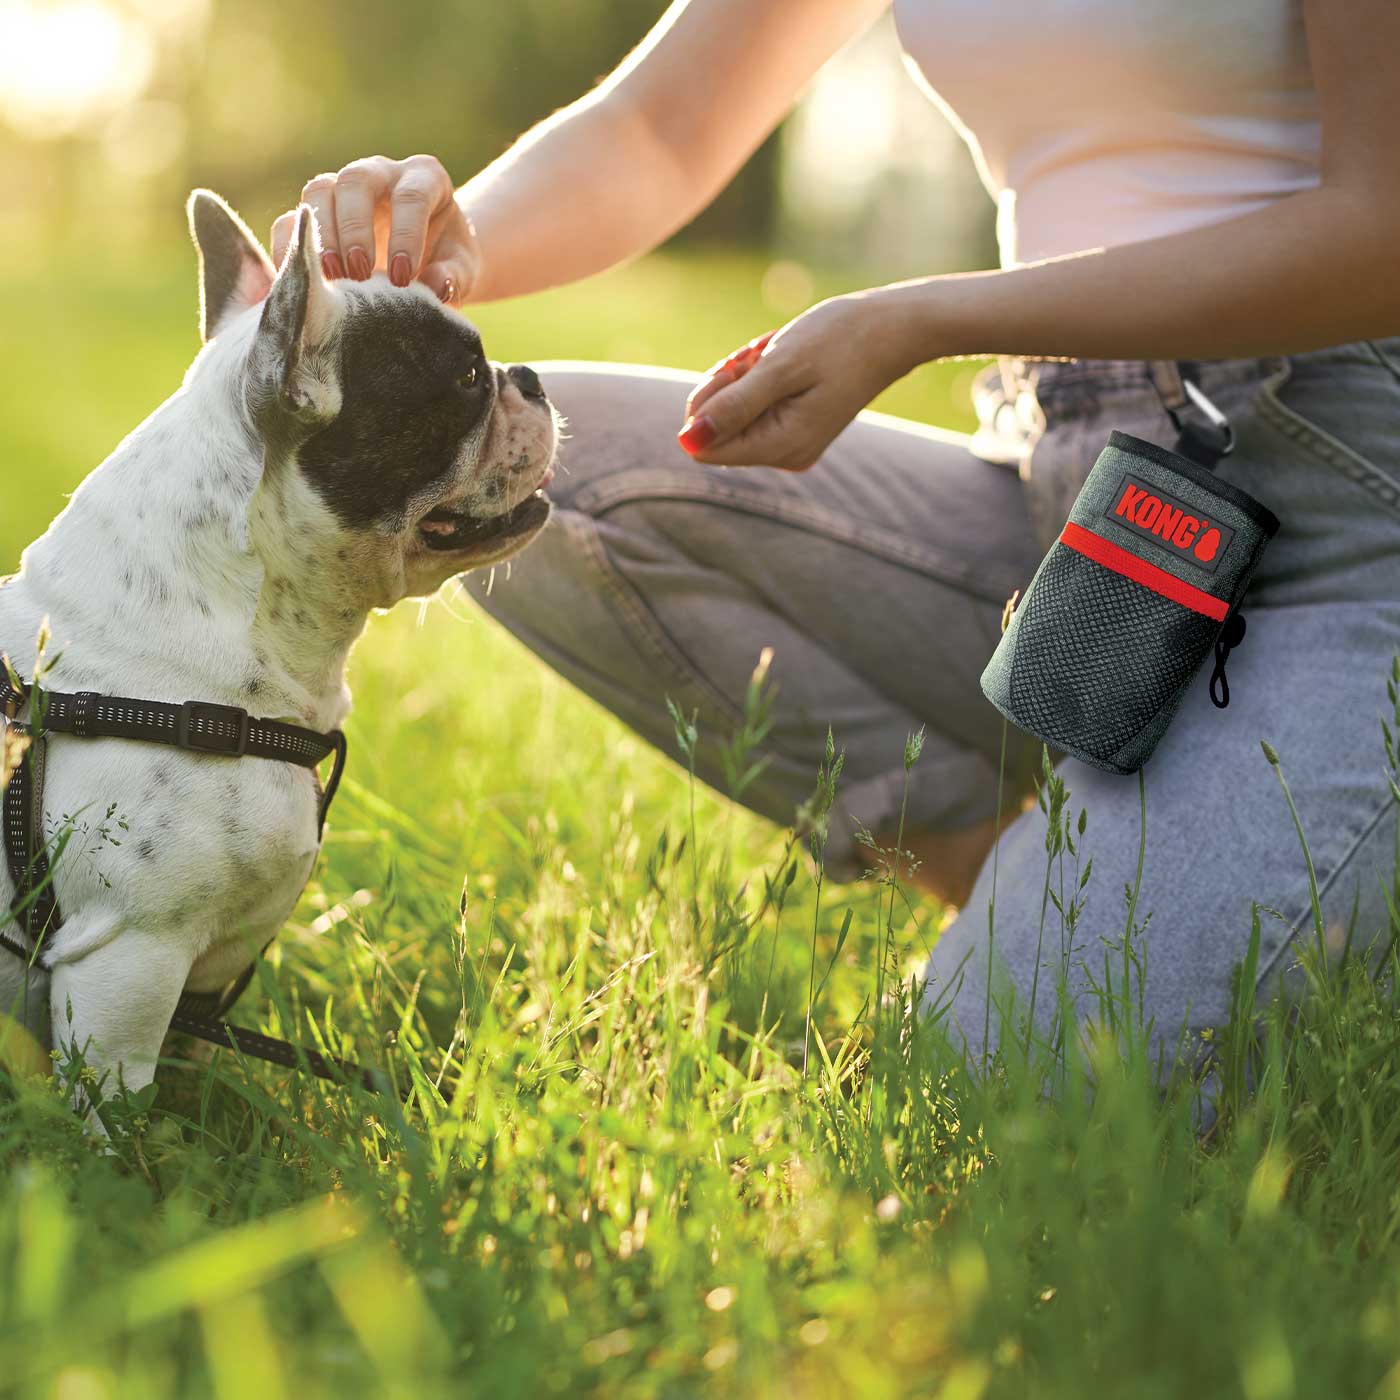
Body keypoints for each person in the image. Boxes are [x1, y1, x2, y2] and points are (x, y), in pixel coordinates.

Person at [275, 0, 1400, 1066]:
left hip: (1344, 515)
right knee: (542, 487)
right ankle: (1009, 872)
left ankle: (1152, 885)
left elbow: (1381, 230)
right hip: (1071, 484)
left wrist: (923, 316)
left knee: (1005, 1080)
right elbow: (658, 132)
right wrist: (415, 259)